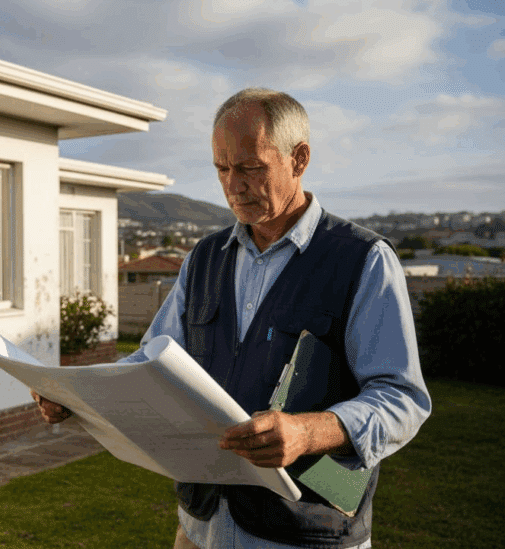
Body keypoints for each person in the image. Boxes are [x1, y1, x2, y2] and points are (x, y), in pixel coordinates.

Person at [33, 88, 431, 548]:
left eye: (250, 168)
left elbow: (402, 398)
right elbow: (152, 362)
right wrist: (79, 394)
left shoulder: (363, 259)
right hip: (200, 524)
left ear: (299, 158)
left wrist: (307, 432)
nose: (233, 185)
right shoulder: (204, 258)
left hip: (305, 532)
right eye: (222, 169)